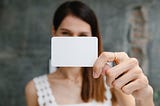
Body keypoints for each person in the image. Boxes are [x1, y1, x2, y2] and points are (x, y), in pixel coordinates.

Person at [25, 1, 154, 106]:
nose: (74, 42)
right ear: (54, 32)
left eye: (82, 35)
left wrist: (145, 97)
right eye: (66, 33)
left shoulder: (112, 82)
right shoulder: (34, 89)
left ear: (93, 38)